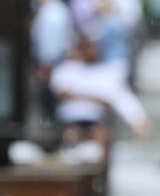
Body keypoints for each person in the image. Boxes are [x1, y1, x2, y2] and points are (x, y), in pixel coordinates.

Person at [50, 38, 150, 168]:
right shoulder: (66, 71)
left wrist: (138, 121)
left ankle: (98, 175)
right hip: (70, 121)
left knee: (101, 138)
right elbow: (62, 93)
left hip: (95, 121)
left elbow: (122, 99)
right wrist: (94, 98)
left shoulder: (106, 74)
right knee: (71, 137)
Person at [30, 0, 74, 121]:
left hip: (52, 64)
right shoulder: (59, 10)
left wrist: (46, 65)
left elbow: (49, 42)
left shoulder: (51, 12)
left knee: (51, 102)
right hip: (54, 63)